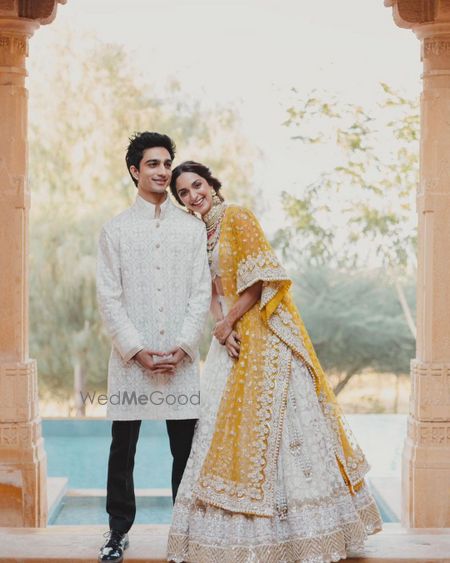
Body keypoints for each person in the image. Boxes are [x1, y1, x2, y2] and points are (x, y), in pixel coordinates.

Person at [166, 161, 383, 563]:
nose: (193, 195)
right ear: (180, 200)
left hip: (264, 332)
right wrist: (223, 328)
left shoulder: (238, 217)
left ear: (212, 184)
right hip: (229, 340)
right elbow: (214, 292)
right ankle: (245, 539)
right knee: (225, 430)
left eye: (197, 185)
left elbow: (262, 280)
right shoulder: (201, 233)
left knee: (279, 426)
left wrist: (230, 322)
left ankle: (304, 535)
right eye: (183, 192)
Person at [96, 135, 211, 563]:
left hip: (180, 359)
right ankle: (117, 532)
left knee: (184, 448)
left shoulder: (191, 229)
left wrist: (183, 345)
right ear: (134, 171)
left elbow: (201, 292)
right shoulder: (116, 230)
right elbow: (109, 297)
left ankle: (183, 535)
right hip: (132, 360)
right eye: (152, 164)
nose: (162, 171)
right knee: (122, 447)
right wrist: (135, 349)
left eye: (167, 163)